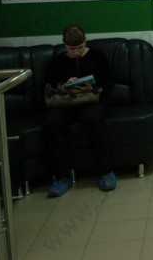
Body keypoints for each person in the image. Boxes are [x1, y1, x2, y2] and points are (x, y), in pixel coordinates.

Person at [43, 25, 116, 197]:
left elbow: (107, 82)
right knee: (53, 122)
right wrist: (65, 85)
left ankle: (105, 171)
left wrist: (92, 85)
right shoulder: (58, 61)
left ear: (85, 42)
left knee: (93, 119)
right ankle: (62, 177)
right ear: (65, 46)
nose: (76, 52)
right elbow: (50, 85)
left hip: (91, 100)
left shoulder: (97, 57)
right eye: (71, 49)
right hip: (66, 103)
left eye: (80, 48)